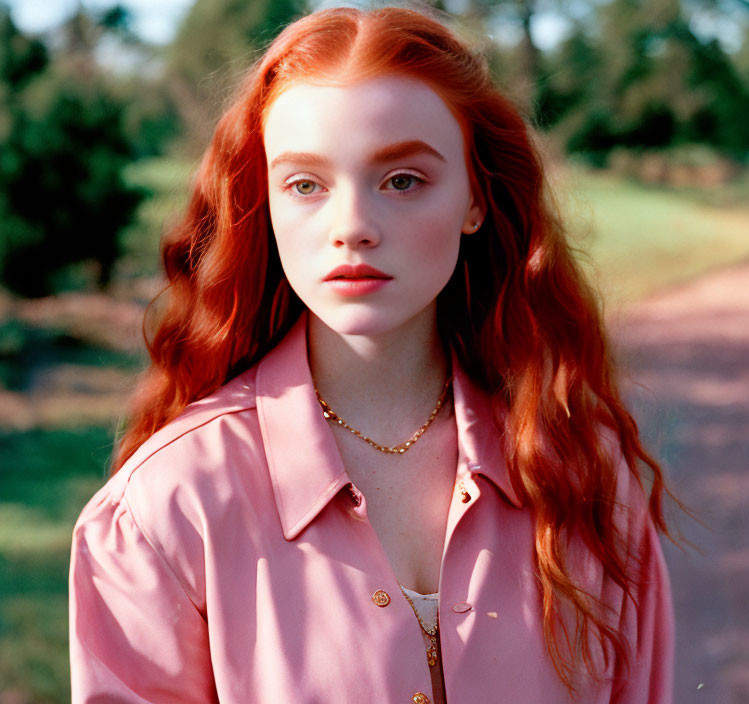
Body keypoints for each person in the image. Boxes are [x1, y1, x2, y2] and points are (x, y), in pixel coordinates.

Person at [68, 6, 674, 703]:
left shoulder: (582, 471)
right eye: (305, 185)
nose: (351, 226)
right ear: (262, 204)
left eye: (403, 180)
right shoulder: (168, 506)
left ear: (475, 198)